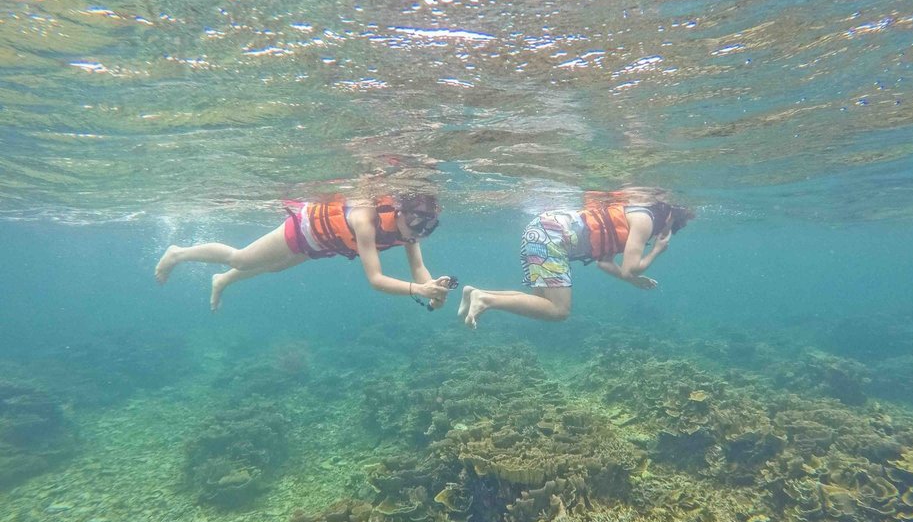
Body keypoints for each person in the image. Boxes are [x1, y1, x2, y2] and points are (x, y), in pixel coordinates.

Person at [156, 193, 454, 311]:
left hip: (322, 246)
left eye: (428, 225)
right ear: (400, 211)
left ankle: (222, 280)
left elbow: (419, 270)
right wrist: (420, 290)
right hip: (306, 230)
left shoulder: (410, 232)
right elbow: (375, 279)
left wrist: (432, 289)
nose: (420, 231)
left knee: (272, 266)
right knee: (242, 259)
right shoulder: (367, 219)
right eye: (416, 221)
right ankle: (178, 253)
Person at [458, 189, 694, 328]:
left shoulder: (635, 216)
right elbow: (631, 268)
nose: (668, 233)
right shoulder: (645, 220)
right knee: (559, 311)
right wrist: (656, 251)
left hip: (543, 229)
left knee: (541, 302)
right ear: (670, 217)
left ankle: (477, 293)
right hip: (552, 236)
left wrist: (631, 281)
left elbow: (605, 262)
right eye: (675, 227)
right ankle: (486, 300)